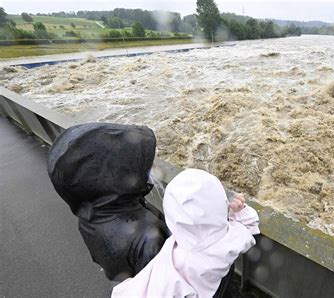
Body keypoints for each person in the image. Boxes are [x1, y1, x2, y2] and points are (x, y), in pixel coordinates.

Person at [47, 123, 170, 282]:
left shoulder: (92, 213)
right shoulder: (149, 239)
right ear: (117, 175)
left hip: (125, 277)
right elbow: (165, 284)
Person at [111, 168, 260, 297]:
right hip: (219, 284)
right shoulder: (229, 239)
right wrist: (240, 210)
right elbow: (250, 225)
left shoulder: (175, 264)